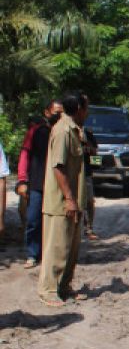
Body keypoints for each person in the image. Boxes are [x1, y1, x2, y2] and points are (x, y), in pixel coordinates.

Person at [38, 91, 89, 307]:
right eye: (86, 107)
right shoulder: (62, 131)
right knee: (56, 248)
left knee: (71, 248)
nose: (88, 112)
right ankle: (48, 290)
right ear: (78, 108)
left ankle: (64, 286)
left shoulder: (76, 130)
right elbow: (58, 167)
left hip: (73, 201)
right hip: (60, 202)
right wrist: (68, 198)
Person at [16, 99, 63, 268]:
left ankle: (51, 255)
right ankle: (32, 254)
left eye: (61, 112)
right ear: (47, 113)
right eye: (56, 112)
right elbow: (24, 156)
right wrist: (22, 180)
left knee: (54, 223)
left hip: (57, 186)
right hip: (36, 184)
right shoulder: (35, 132)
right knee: (33, 220)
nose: (58, 115)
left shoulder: (64, 133)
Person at [82, 125, 99, 241]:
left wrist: (96, 168)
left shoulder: (88, 134)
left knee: (89, 201)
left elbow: (96, 154)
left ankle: (89, 228)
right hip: (70, 173)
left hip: (86, 173)